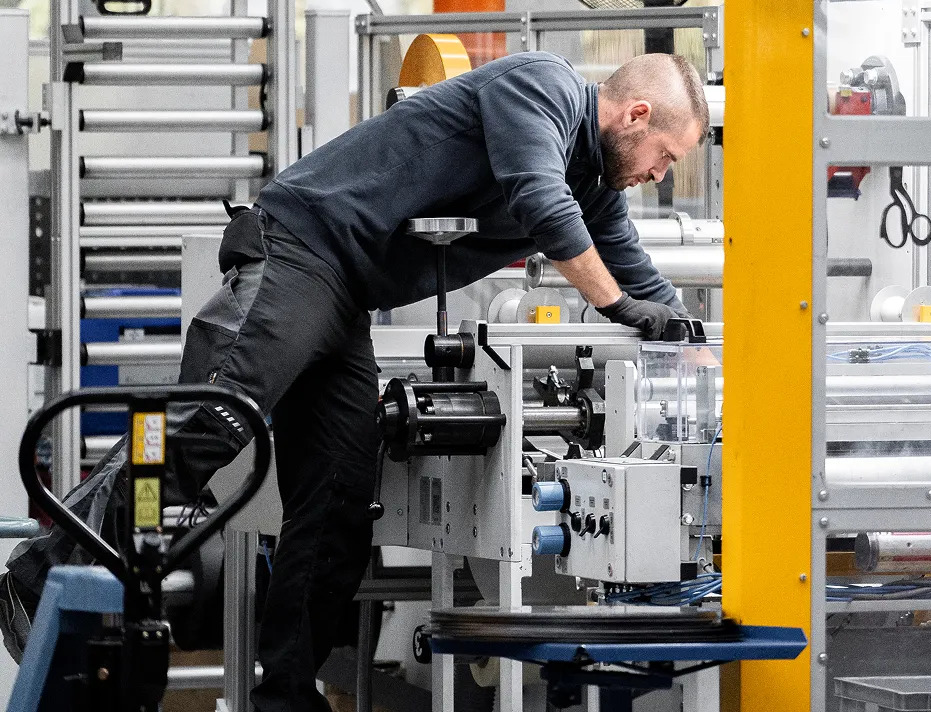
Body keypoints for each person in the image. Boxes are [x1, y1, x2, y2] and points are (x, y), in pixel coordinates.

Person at [2, 51, 710, 712]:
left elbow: (639, 276)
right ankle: (38, 575)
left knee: (339, 503)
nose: (659, 176)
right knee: (212, 421)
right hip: (301, 247)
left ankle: (284, 699)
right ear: (636, 115)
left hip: (347, 297)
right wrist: (617, 307)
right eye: (666, 158)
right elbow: (543, 207)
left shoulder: (595, 186)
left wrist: (700, 361)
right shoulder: (541, 87)